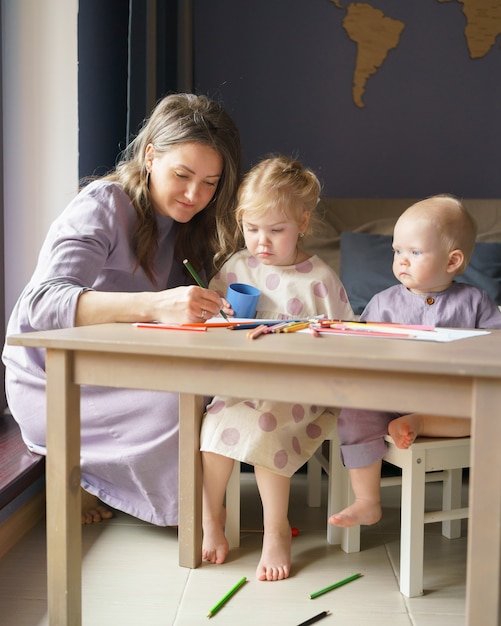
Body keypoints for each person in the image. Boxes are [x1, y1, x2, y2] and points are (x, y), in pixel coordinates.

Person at [2, 93, 241, 526]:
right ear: (150, 156)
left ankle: (132, 491)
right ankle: (181, 510)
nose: (194, 194)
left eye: (210, 183)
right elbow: (38, 305)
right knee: (177, 404)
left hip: (114, 368)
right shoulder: (103, 203)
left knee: (220, 385)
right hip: (52, 380)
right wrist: (155, 306)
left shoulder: (187, 227)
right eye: (182, 175)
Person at [199, 155, 355, 581]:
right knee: (213, 426)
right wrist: (221, 314)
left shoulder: (319, 277)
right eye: (252, 229)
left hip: (298, 392)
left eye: (276, 230)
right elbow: (210, 319)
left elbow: (347, 336)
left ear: (303, 222)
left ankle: (275, 531)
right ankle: (211, 517)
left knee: (267, 424)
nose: (261, 242)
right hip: (241, 386)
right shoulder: (236, 267)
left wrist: (318, 333)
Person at [330, 194, 501, 529]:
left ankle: (421, 422)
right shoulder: (383, 303)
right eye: (397, 251)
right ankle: (367, 500)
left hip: (452, 400)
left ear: (452, 262)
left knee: (490, 410)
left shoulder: (475, 301)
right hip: (393, 396)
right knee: (355, 410)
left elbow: (495, 347)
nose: (401, 261)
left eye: (414, 252)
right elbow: (361, 347)